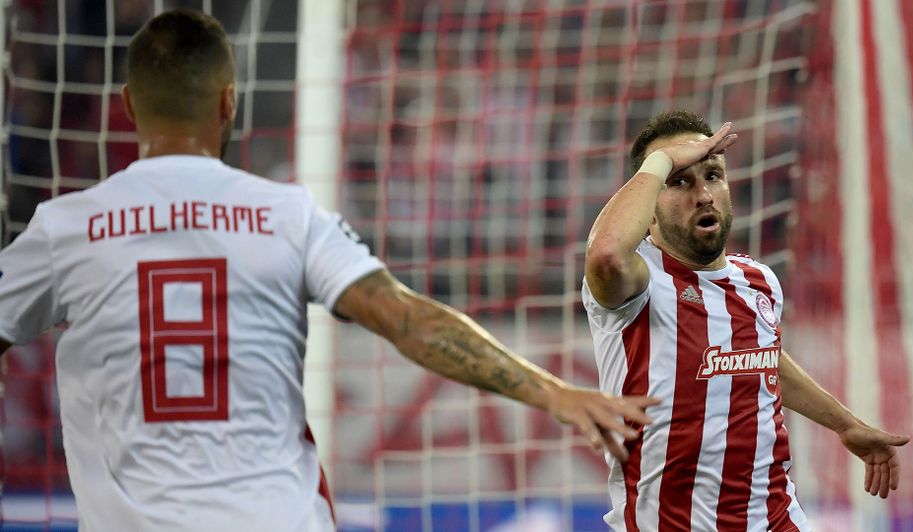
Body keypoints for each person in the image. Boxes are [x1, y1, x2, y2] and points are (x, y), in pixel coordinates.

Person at [0, 10, 659, 532]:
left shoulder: (67, 227)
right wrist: (554, 394)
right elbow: (407, 320)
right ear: (229, 102)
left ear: (129, 105)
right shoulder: (287, 214)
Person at [582, 110, 910, 531]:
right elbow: (606, 254)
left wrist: (846, 425)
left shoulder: (758, 280)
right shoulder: (635, 282)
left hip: (777, 519)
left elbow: (761, 356)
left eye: (713, 176)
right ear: (647, 208)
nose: (703, 194)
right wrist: (660, 161)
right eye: (679, 181)